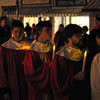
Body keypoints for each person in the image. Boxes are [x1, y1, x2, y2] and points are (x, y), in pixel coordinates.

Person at [50, 24, 89, 100]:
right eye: (78, 35)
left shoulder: (83, 54)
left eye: (81, 35)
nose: (81, 37)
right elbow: (56, 81)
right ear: (69, 37)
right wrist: (74, 78)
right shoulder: (60, 56)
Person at [0, 20, 30, 100]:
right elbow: (1, 69)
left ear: (23, 31)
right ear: (11, 32)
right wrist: (4, 89)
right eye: (15, 32)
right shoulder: (5, 48)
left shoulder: (29, 47)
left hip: (26, 82)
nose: (18, 34)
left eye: (20, 32)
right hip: (11, 83)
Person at [24, 21, 54, 100]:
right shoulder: (32, 50)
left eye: (51, 30)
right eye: (47, 30)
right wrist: (48, 69)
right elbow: (30, 73)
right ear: (39, 31)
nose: (50, 32)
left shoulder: (52, 48)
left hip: (51, 90)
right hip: (37, 90)